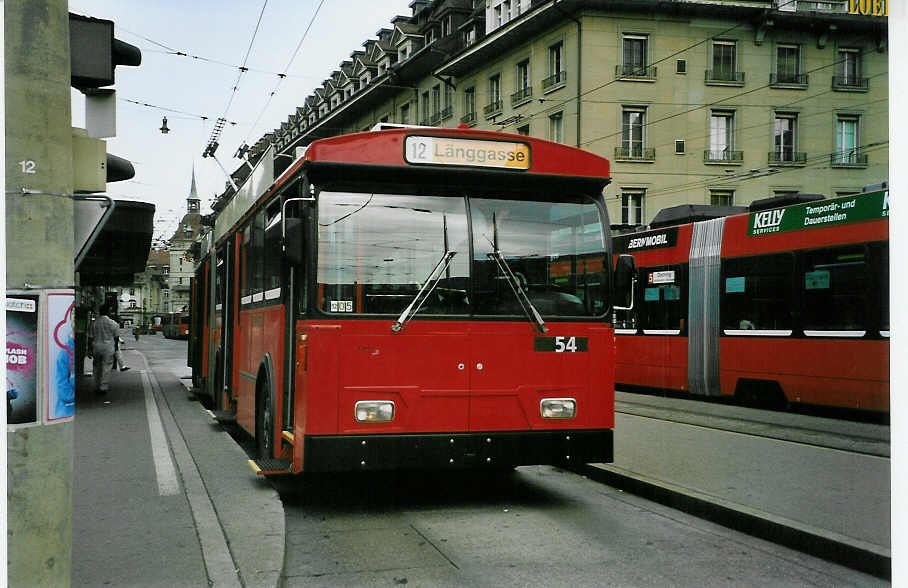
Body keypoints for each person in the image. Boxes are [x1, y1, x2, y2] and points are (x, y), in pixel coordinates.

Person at [89, 304, 120, 395]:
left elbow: (90, 337)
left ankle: (95, 386)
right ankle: (103, 387)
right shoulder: (113, 323)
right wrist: (116, 349)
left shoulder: (94, 323)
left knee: (96, 367)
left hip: (96, 346)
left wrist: (89, 349)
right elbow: (116, 337)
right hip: (108, 347)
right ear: (108, 312)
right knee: (106, 367)